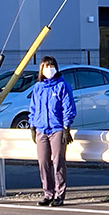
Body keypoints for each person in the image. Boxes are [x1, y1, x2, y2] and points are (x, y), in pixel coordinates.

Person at [29, 56, 76, 207]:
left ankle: (59, 194)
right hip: (41, 129)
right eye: (46, 67)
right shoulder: (38, 87)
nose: (49, 70)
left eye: (51, 66)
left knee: (58, 162)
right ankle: (47, 193)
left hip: (57, 129)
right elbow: (33, 108)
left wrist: (66, 127)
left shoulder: (62, 85)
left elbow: (68, 107)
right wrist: (32, 125)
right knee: (43, 162)